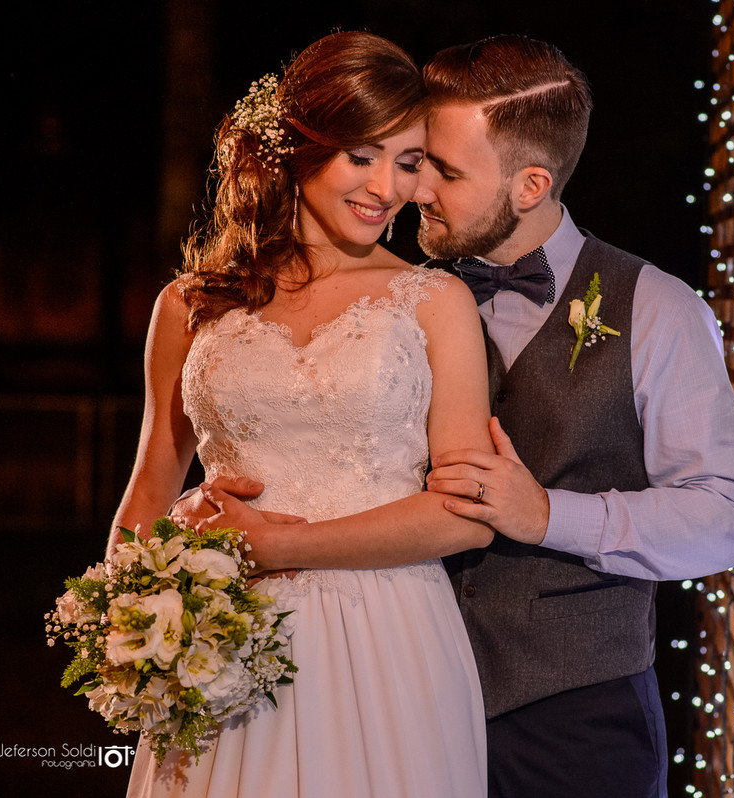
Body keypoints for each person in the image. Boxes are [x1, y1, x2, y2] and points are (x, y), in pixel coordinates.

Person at [193, 33, 734, 798]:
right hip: (394, 693)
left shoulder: (657, 308)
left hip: (572, 719)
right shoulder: (405, 298)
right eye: (415, 159)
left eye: (443, 170)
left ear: (529, 185)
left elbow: (726, 520)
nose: (414, 188)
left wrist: (548, 514)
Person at [112, 31, 494, 798]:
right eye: (363, 155)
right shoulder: (188, 305)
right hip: (219, 637)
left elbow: (467, 513)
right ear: (299, 149)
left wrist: (285, 545)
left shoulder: (435, 303)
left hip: (388, 638)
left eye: (408, 162)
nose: (387, 186)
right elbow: (153, 479)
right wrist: (121, 622)